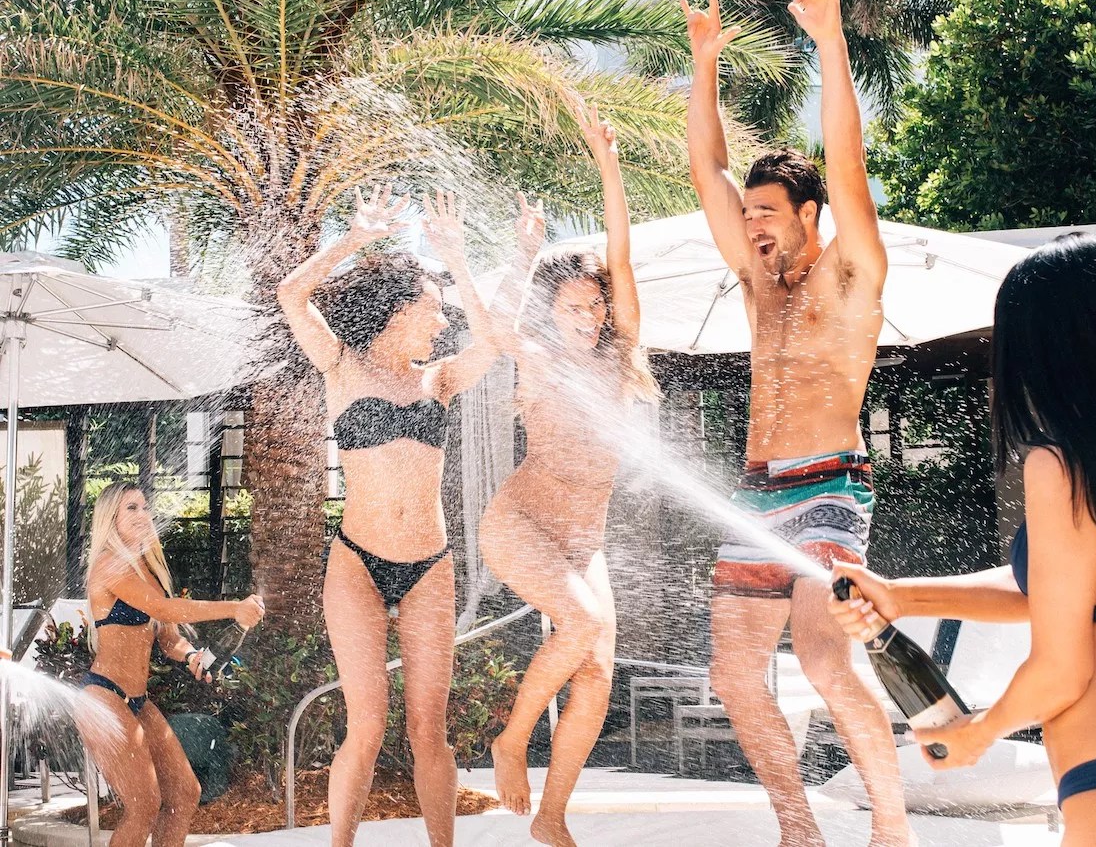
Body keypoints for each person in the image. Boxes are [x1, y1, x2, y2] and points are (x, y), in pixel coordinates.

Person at [829, 233, 1096, 845]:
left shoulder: (1060, 466)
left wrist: (977, 733)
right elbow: (1063, 591)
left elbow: (1061, 669)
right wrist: (902, 595)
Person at [682, 0, 913, 846]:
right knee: (736, 677)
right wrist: (703, 62)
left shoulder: (853, 274)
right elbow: (707, 170)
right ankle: (797, 830)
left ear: (812, 214)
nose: (751, 226)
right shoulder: (757, 285)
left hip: (828, 488)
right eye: (750, 216)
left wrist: (831, 44)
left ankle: (891, 830)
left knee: (822, 656)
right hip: (755, 491)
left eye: (768, 213)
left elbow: (848, 162)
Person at [277, 186, 496, 847]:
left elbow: (494, 337)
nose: (440, 324)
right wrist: (352, 241)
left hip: (429, 564)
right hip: (357, 562)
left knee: (428, 727)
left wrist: (455, 259)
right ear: (398, 312)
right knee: (367, 724)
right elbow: (292, 295)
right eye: (432, 311)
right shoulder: (341, 367)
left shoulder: (443, 378)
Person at [480, 104, 659, 847]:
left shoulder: (620, 358)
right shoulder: (540, 358)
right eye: (573, 307)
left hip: (585, 542)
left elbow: (620, 254)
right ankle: (511, 740)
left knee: (597, 673)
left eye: (594, 306)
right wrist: (525, 255)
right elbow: (493, 323)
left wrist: (608, 162)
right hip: (520, 525)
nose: (587, 316)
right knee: (582, 625)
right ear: (552, 315)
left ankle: (552, 816)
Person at [74, 482, 265, 847]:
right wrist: (232, 608)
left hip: (136, 700)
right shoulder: (109, 565)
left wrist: (192, 655)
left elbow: (168, 637)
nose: (143, 515)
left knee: (182, 795)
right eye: (131, 508)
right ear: (109, 518)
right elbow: (162, 609)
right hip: (102, 698)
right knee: (144, 806)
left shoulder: (150, 568)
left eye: (145, 507)